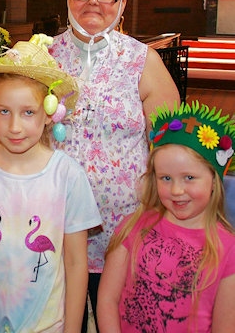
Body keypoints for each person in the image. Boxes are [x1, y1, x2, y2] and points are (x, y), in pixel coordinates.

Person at [28, 0, 181, 329]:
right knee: (59, 321)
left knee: (120, 320)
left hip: (125, 227)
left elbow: (173, 141)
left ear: (122, 2)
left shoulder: (142, 62)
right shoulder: (42, 56)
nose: (94, 3)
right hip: (55, 224)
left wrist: (160, 203)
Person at [0, 36, 102, 333]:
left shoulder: (68, 176)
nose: (15, 126)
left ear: (48, 113)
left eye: (28, 112)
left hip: (44, 326)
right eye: (4, 111)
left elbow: (75, 262)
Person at [97, 102, 235, 332]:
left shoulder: (228, 249)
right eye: (166, 178)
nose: (177, 190)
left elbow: (225, 325)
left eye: (189, 177)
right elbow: (107, 301)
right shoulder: (133, 227)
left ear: (214, 180)